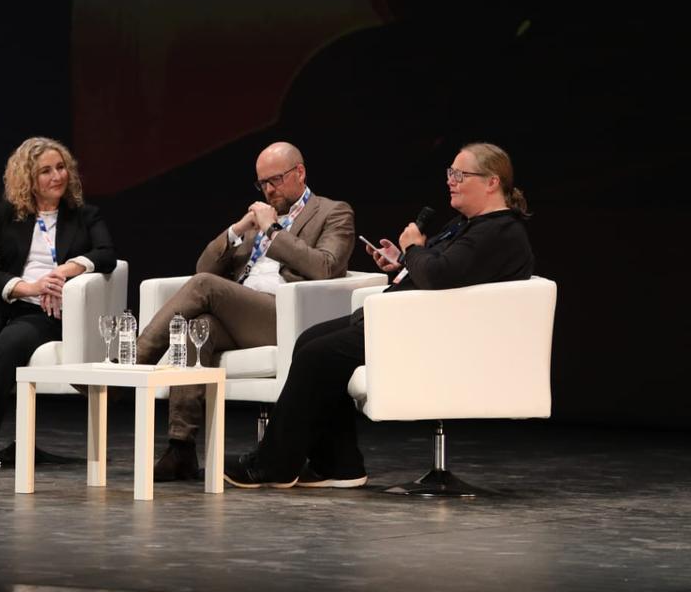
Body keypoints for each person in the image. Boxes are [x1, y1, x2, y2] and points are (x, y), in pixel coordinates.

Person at [224, 142, 534, 488]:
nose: (451, 181)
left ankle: (272, 464)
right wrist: (403, 262)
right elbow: (446, 270)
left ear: (492, 182)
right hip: (409, 321)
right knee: (311, 339)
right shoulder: (472, 225)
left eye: (460, 175)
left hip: (430, 333)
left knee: (318, 354)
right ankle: (338, 463)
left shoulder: (500, 232)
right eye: (450, 173)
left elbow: (439, 275)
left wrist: (413, 248)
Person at [137, 141, 356, 482]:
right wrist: (238, 230)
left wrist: (273, 231)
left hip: (287, 317)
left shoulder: (333, 212)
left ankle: (133, 363)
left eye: (276, 180)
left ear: (300, 173)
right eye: (262, 183)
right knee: (198, 326)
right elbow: (203, 266)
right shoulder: (256, 219)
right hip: (244, 313)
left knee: (206, 287)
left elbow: (326, 267)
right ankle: (180, 448)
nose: (269, 189)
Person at [0, 137, 116, 470]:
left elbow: (107, 254)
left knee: (10, 345)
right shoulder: (4, 215)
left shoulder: (84, 215)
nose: (57, 177)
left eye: (61, 167)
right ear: (28, 180)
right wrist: (29, 285)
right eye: (46, 171)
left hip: (42, 310)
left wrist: (66, 269)